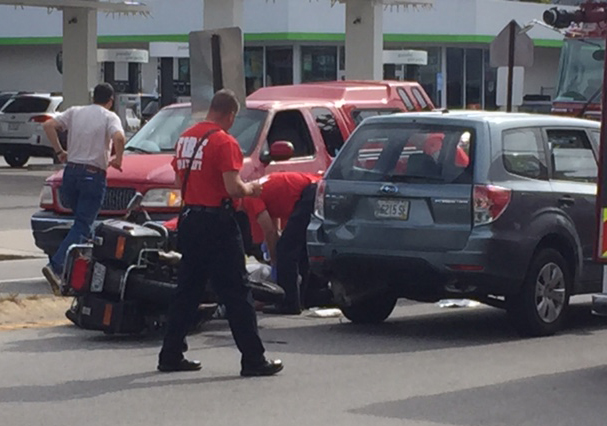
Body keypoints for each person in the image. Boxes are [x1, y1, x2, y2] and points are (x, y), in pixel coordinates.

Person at [158, 89, 283, 377]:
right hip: (218, 223)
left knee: (187, 290)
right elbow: (233, 188)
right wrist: (252, 189)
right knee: (237, 292)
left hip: (190, 219)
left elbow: (179, 180)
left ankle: (171, 353)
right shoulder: (224, 142)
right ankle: (253, 359)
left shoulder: (186, 138)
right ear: (229, 114)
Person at [41, 83, 125, 295]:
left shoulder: (75, 112)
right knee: (83, 225)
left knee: (82, 226)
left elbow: (48, 126)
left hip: (70, 173)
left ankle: (79, 273)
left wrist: (60, 151)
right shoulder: (109, 117)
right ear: (111, 101)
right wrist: (118, 159)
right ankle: (56, 266)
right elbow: (119, 137)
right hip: (93, 175)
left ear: (92, 97)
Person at [242, 172, 321, 315]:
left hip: (308, 192)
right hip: (314, 188)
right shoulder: (258, 187)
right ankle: (301, 300)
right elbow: (274, 226)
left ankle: (288, 303)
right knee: (300, 251)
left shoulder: (248, 198)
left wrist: (274, 261)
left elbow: (270, 232)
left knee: (285, 252)